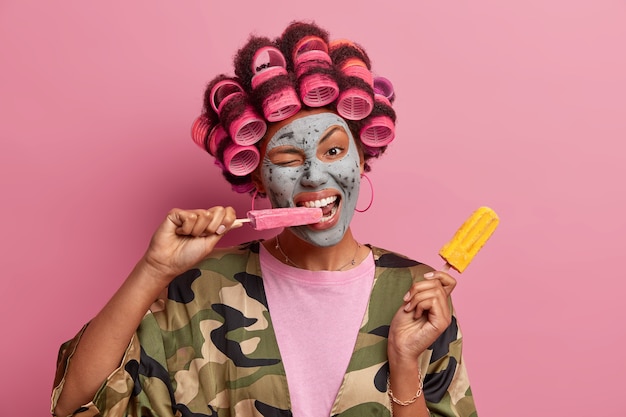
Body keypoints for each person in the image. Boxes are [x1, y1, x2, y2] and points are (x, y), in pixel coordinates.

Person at [51, 21, 478, 417]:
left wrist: (404, 364)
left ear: (362, 156)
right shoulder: (194, 288)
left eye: (333, 151)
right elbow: (74, 406)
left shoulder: (419, 295)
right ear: (256, 173)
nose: (313, 175)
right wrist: (154, 270)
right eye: (289, 158)